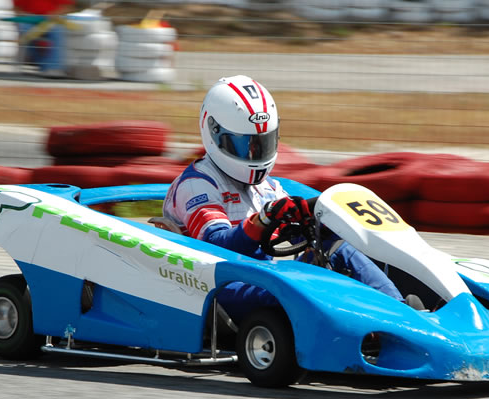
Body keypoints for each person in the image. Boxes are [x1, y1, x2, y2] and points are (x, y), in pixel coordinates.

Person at [163, 75, 412, 321]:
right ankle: (391, 321)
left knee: (336, 248)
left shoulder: (266, 187)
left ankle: (397, 312)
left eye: (261, 144)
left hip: (266, 277)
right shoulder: (197, 185)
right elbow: (216, 248)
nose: (254, 154)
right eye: (244, 145)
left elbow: (292, 229)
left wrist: (316, 223)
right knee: (301, 285)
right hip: (223, 286)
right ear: (214, 132)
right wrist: (262, 220)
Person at [13, 0, 75, 76]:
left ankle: (54, 67)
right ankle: (43, 65)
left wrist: (54, 14)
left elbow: (67, 6)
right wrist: (24, 16)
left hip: (52, 21)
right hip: (29, 21)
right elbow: (17, 9)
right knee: (25, 32)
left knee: (57, 31)